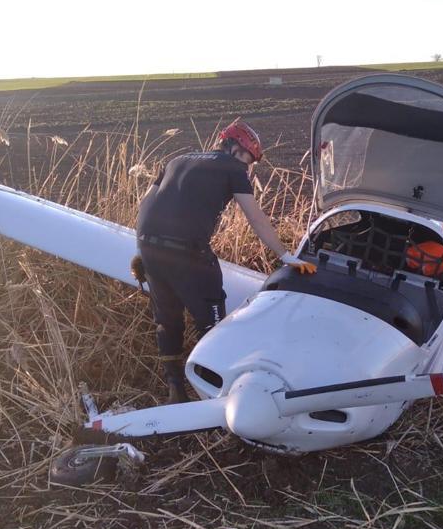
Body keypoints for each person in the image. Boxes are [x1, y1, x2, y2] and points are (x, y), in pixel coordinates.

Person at [135, 119, 316, 402]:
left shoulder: (177, 159)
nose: (248, 166)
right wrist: (284, 255)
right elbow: (255, 217)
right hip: (188, 250)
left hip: (147, 244)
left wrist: (143, 252)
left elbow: (146, 202)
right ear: (232, 148)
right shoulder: (233, 168)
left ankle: (175, 390)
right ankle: (213, 392)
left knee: (167, 320)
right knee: (212, 319)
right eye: (247, 158)